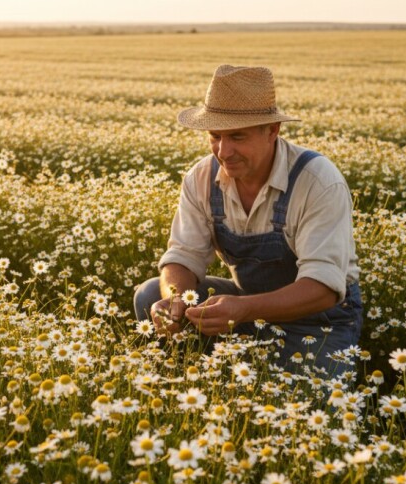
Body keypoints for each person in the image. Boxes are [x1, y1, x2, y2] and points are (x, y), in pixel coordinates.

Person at [133, 65, 362, 376]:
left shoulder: (317, 182)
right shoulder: (201, 177)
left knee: (303, 415)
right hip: (245, 308)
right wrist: (175, 300)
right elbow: (183, 257)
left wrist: (243, 310)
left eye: (237, 137)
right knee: (151, 296)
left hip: (318, 322)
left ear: (272, 131)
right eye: (215, 137)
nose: (223, 152)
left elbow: (323, 287)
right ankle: (189, 384)